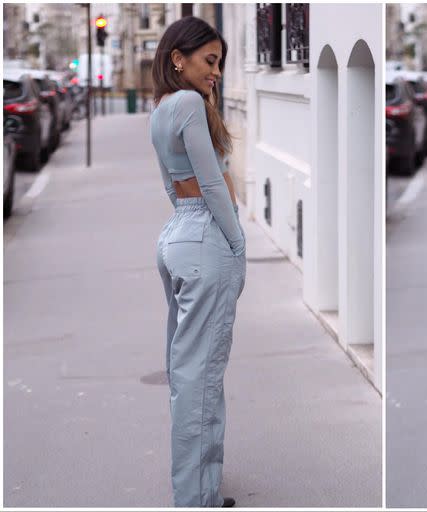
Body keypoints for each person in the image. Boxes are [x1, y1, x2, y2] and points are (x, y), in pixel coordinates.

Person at [150, 16, 245, 508]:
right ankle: (195, 499)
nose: (217, 73)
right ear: (177, 58)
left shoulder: (162, 107)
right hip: (206, 234)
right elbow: (212, 185)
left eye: (220, 63)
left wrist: (186, 229)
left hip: (176, 235)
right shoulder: (188, 103)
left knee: (187, 373)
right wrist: (238, 245)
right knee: (201, 377)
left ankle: (201, 490)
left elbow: (172, 184)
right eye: (210, 61)